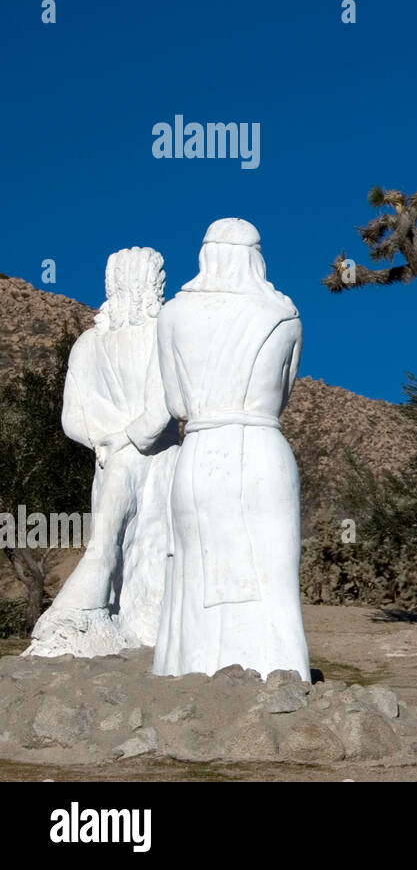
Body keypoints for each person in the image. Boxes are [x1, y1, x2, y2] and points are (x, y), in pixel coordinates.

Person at [128, 218, 310, 679]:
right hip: (263, 447)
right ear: (255, 256)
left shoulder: (173, 314)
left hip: (202, 449)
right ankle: (279, 669)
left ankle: (191, 670)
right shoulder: (285, 315)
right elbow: (283, 392)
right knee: (270, 572)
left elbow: (175, 402)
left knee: (195, 572)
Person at [26, 247, 179, 657]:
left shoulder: (86, 344)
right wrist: (123, 439)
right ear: (152, 285)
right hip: (153, 459)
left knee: (129, 544)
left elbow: (71, 420)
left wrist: (104, 440)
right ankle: (93, 616)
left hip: (109, 460)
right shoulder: (161, 332)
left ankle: (127, 624)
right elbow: (159, 412)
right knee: (144, 547)